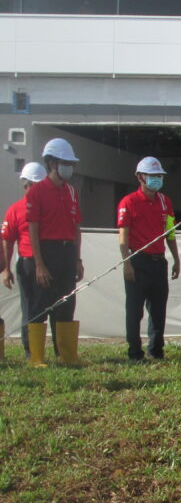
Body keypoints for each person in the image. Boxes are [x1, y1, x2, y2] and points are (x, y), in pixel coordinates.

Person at [24, 137, 85, 366]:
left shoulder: (72, 192)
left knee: (66, 302)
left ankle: (67, 355)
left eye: (71, 163)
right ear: (51, 163)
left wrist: (78, 258)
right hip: (45, 252)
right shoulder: (36, 192)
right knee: (40, 304)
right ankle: (36, 357)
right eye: (64, 162)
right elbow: (33, 230)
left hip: (67, 252)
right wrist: (39, 264)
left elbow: (76, 227)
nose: (68, 167)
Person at [117, 157, 180, 361]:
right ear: (140, 177)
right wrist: (127, 263)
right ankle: (135, 352)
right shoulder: (129, 202)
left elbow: (169, 232)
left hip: (158, 261)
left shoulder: (165, 201)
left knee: (158, 310)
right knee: (134, 311)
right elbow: (123, 236)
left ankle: (156, 351)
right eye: (152, 176)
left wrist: (176, 258)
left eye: (159, 176)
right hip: (137, 261)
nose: (156, 180)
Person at [2, 162, 47, 358]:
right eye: (32, 185)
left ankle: (60, 350)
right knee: (30, 307)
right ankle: (32, 351)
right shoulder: (15, 210)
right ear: (25, 185)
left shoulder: (49, 208)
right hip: (28, 263)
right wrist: (6, 268)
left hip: (51, 262)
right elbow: (8, 240)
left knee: (51, 306)